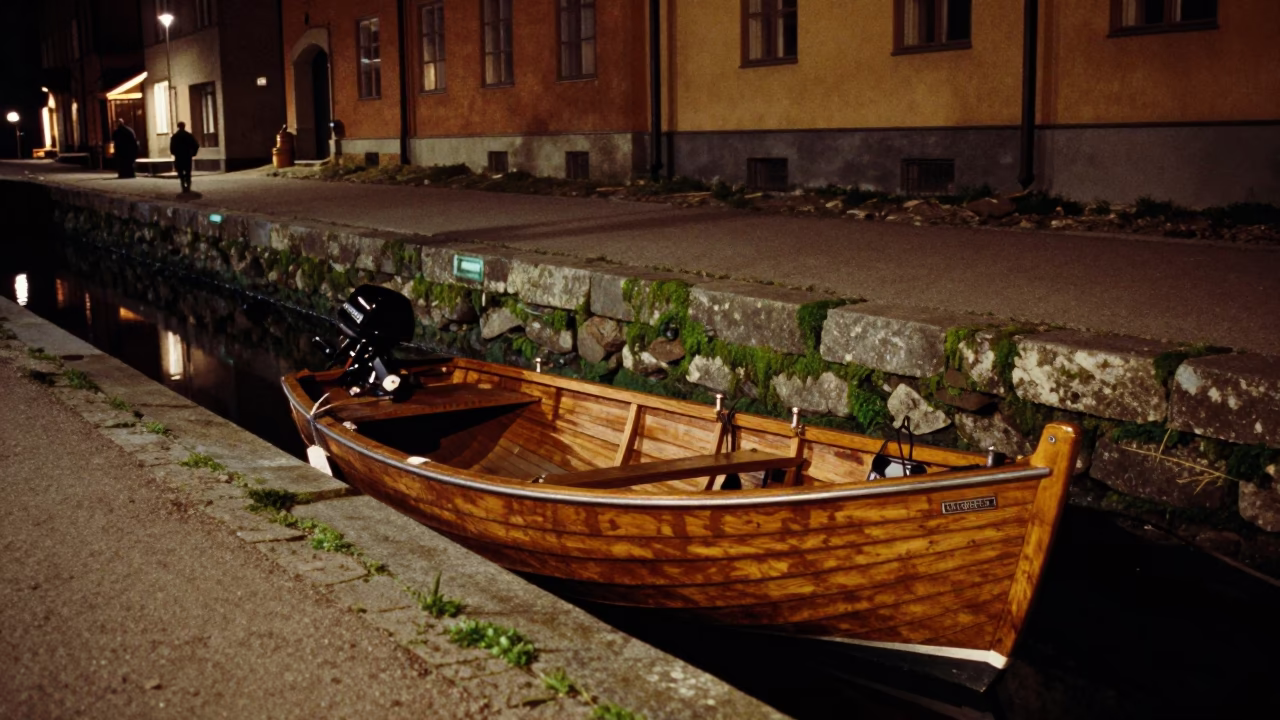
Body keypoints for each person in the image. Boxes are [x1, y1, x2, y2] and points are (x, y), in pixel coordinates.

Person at [170, 121, 200, 193]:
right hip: (187, 156)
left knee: (180, 172)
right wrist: (193, 153)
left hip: (179, 156)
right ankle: (188, 186)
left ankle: (183, 185)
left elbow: (172, 147)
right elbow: (196, 145)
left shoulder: (175, 136)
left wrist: (175, 153)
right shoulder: (188, 135)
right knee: (188, 172)